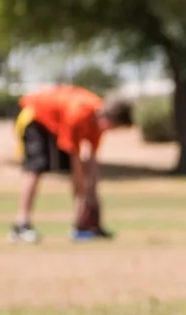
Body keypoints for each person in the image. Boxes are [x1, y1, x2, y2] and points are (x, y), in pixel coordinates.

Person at [10, 85, 135, 243]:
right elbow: (75, 164)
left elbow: (91, 162)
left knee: (82, 178)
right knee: (37, 166)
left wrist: (93, 200)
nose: (110, 131)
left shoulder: (97, 122)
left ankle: (86, 225)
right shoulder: (78, 114)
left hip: (54, 123)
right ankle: (21, 225)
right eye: (114, 128)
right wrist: (83, 198)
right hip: (32, 114)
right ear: (107, 119)